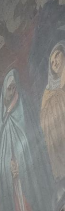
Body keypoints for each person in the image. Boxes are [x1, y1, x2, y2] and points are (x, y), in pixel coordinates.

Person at [0, 68, 53, 211]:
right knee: (18, 210)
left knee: (30, 203)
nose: (11, 91)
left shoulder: (23, 106)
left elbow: (32, 142)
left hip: (28, 171)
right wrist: (8, 169)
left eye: (13, 87)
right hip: (12, 178)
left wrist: (23, 165)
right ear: (4, 90)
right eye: (8, 88)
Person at [40, 41, 65, 184]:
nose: (54, 62)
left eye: (57, 55)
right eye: (51, 62)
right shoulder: (48, 91)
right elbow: (43, 120)